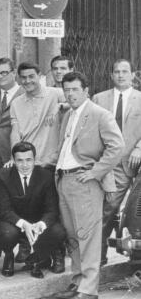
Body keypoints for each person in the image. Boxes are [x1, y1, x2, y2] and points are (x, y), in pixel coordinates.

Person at [52, 72, 124, 299]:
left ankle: (88, 290)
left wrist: (95, 172)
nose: (70, 94)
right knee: (72, 235)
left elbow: (117, 146)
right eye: (67, 90)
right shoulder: (68, 115)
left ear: (86, 90)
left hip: (85, 182)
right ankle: (77, 282)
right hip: (64, 180)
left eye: (75, 89)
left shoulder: (100, 114)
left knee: (88, 236)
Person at [92, 59, 141, 266]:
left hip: (136, 159)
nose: (120, 75)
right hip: (112, 164)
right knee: (108, 207)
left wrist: (139, 148)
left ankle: (136, 253)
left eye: (125, 71)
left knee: (136, 209)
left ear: (132, 75)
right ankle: (98, 254)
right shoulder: (99, 98)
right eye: (116, 72)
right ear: (111, 75)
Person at [0, 142, 66, 279]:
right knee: (5, 232)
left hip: (38, 222)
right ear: (14, 160)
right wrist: (23, 224)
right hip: (16, 223)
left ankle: (46, 254)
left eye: (29, 160)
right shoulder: (4, 175)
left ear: (35, 159)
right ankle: (9, 255)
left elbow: (52, 210)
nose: (24, 165)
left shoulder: (46, 176)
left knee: (58, 231)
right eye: (19, 161)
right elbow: (4, 210)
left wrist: (41, 224)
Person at [10, 62, 66, 171]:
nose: (27, 81)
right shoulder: (16, 103)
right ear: (19, 79)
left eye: (31, 76)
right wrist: (14, 157)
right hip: (28, 163)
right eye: (23, 78)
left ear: (40, 76)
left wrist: (59, 106)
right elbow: (15, 133)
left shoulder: (56, 94)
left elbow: (82, 102)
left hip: (52, 162)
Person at [0, 58, 23, 169]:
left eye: (4, 73)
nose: (0, 76)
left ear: (14, 72)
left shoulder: (25, 94)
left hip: (16, 155)